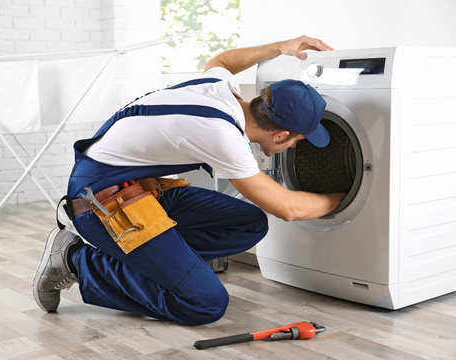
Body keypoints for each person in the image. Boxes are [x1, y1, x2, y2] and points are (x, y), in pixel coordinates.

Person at [33, 35, 345, 326]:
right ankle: (75, 260)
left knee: (250, 223)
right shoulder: (223, 136)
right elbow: (287, 208)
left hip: (139, 190)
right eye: (297, 141)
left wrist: (281, 46)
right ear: (280, 134)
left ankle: (165, 264)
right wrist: (345, 197)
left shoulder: (218, 88)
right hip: (99, 203)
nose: (294, 147)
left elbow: (222, 60)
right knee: (206, 304)